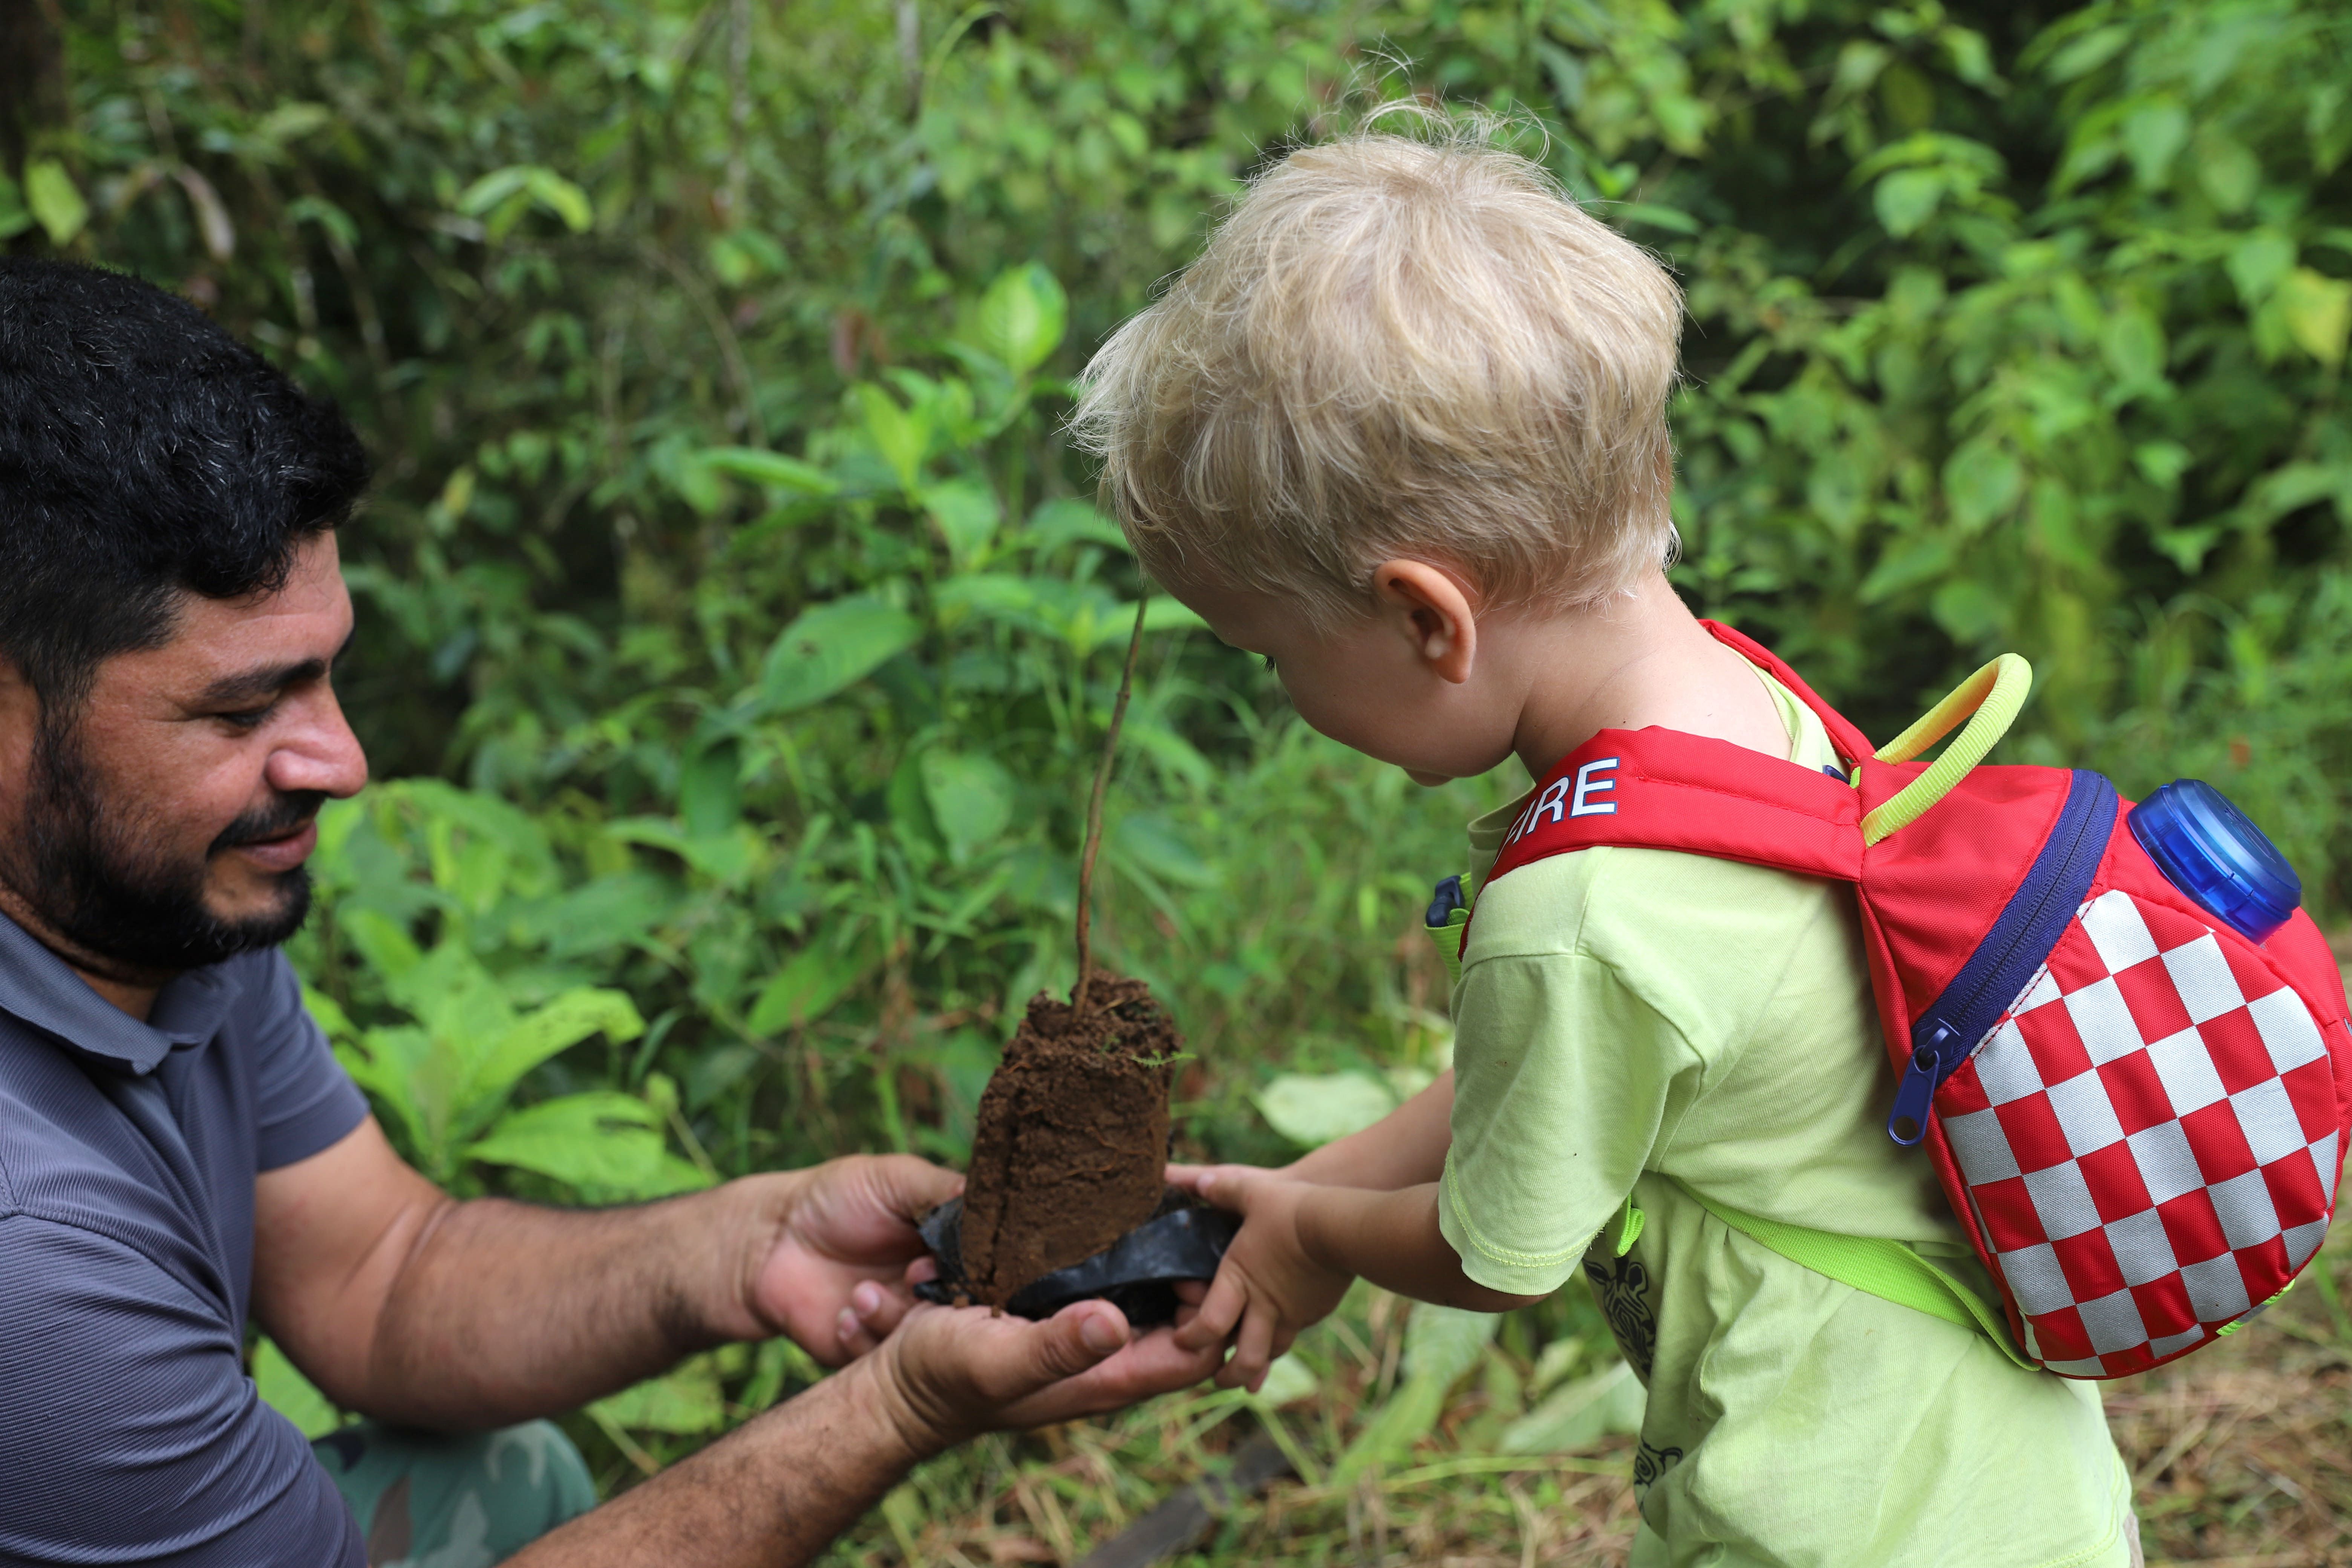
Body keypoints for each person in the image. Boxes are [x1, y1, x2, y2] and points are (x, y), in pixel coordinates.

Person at [0, 258, 1220, 1567]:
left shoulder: (148, 905)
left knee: (512, 1472)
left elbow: (383, 1275)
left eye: (325, 682)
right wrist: (900, 1404)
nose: (341, 762)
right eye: (242, 712)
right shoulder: (32, 1260)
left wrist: (752, 1246)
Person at [1069, 131, 2143, 1567]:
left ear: (1426, 620)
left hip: (1831, 1518)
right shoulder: (1745, 718)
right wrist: (1302, 1188)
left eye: (1273, 654)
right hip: (2000, 1485)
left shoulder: (1579, 914)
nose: (1285, 695)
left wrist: (1319, 1240)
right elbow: (1561, 1078)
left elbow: (1490, 1252)